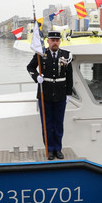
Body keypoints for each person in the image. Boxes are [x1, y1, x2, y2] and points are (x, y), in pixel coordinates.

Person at [26, 31, 73, 160]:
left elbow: (69, 76)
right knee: (47, 124)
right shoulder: (41, 54)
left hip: (60, 95)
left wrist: (68, 93)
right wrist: (37, 77)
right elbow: (30, 67)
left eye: (57, 40)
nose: (55, 43)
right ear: (48, 41)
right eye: (52, 40)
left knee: (58, 123)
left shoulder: (66, 55)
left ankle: (58, 148)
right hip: (44, 94)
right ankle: (49, 149)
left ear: (60, 42)